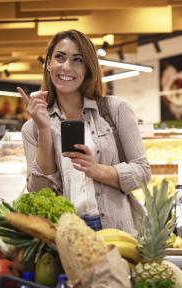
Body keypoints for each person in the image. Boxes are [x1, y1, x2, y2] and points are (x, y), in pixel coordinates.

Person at [18, 30, 150, 235]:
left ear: (88, 69)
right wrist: (44, 130)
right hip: (66, 233)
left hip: (116, 231)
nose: (66, 67)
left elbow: (143, 172)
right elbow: (37, 191)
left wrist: (97, 170)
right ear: (48, 64)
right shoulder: (32, 128)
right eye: (60, 57)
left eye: (77, 60)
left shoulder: (115, 110)